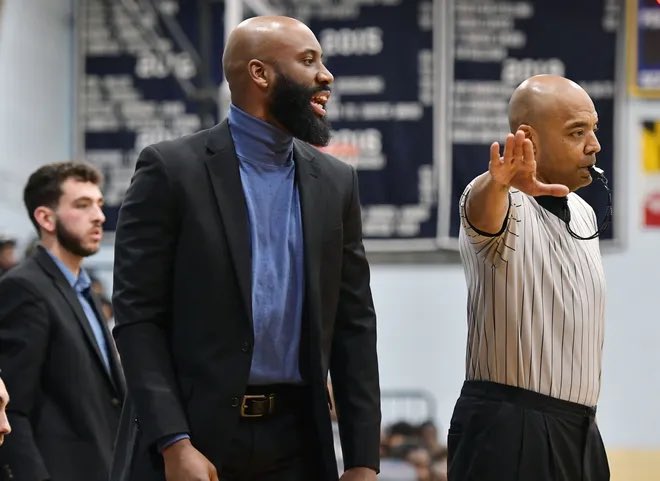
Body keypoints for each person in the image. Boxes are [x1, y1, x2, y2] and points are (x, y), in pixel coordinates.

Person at [110, 15, 380, 481]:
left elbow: (354, 326)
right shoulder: (171, 171)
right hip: (195, 441)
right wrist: (174, 442)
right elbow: (137, 319)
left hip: (297, 443)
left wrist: (361, 460)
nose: (326, 75)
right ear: (260, 74)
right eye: (309, 60)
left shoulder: (336, 182)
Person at [448, 75, 609, 481]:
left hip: (580, 427)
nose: (594, 145)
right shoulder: (494, 197)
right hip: (509, 424)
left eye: (593, 130)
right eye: (577, 132)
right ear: (529, 140)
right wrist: (498, 181)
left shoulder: (584, 213)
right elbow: (484, 209)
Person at [0, 162, 125, 481]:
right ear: (45, 217)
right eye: (82, 205)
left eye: (98, 204)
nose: (98, 216)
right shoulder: (25, 288)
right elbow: (12, 409)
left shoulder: (83, 288)